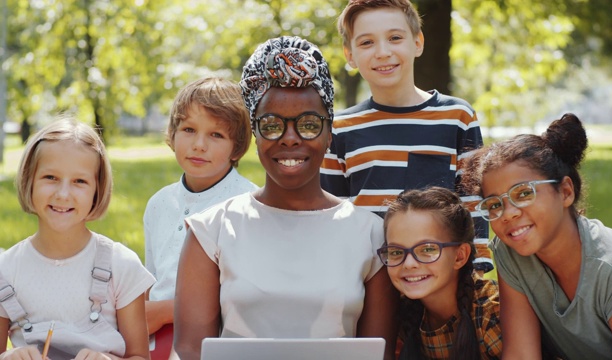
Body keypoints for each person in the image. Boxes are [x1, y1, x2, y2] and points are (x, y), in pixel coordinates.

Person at [174, 36, 398, 360]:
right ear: (255, 133)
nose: (290, 139)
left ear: (329, 133)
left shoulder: (371, 235)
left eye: (308, 124)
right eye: (271, 124)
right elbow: (190, 351)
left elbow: (381, 354)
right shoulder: (211, 232)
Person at [320, 0, 494, 274]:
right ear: (349, 55)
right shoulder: (340, 127)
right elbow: (331, 213)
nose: (383, 52)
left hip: (438, 276)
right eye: (366, 43)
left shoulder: (457, 116)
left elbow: (473, 200)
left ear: (417, 42)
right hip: (368, 276)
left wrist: (477, 266)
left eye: (395, 38)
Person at [460, 113, 612, 359]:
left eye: (523, 194)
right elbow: (522, 354)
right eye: (493, 204)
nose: (508, 214)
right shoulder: (510, 251)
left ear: (565, 192)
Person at [0, 117, 155, 360]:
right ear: (29, 180)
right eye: (50, 177)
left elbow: (140, 356)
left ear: (97, 190)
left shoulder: (121, 265)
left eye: (79, 181)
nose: (63, 194)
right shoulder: (5, 269)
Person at [143, 77, 257, 358]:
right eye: (189, 129)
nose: (199, 145)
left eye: (216, 135)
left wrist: (165, 311)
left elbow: (247, 299)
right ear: (172, 133)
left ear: (238, 146)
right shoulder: (159, 204)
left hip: (217, 343)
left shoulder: (249, 206)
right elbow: (151, 280)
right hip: (158, 344)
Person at [379, 187, 501, 360]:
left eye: (427, 249)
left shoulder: (493, 314)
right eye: (396, 252)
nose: (409, 263)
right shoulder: (402, 317)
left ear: (460, 256)